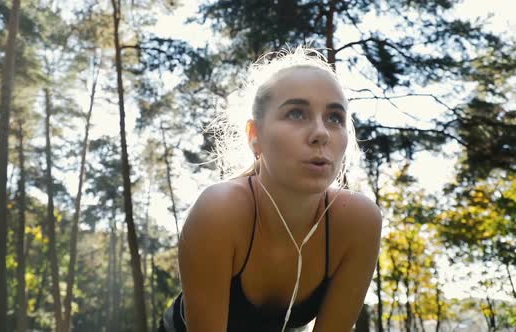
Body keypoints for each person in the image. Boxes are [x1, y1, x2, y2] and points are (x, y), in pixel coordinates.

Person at [158, 47, 382, 332]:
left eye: (335, 117)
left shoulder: (359, 222)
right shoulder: (220, 211)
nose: (321, 133)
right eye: (297, 113)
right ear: (255, 136)